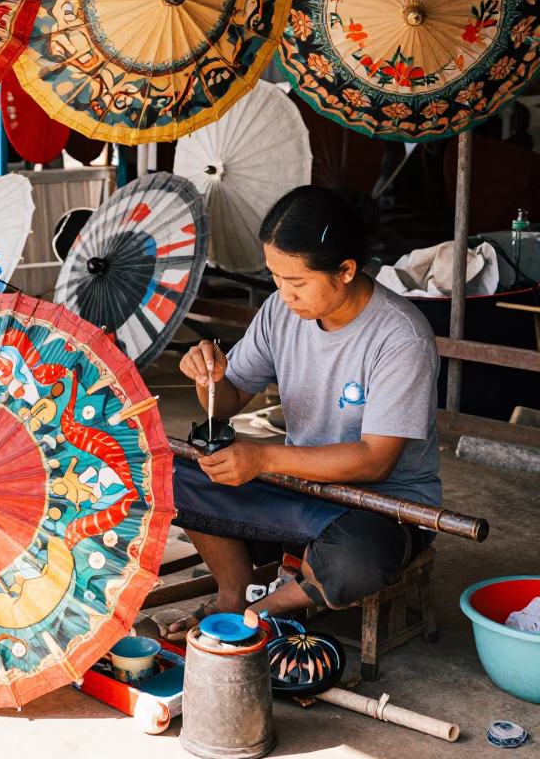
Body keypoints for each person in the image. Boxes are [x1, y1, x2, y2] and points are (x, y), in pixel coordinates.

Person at [169, 184, 441, 636]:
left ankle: (270, 607)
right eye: (275, 278)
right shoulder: (280, 310)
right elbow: (230, 401)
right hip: (298, 489)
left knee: (358, 556)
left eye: (296, 281)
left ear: (346, 270)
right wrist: (211, 378)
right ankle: (232, 594)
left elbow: (376, 460)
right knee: (179, 474)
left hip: (381, 506)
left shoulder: (401, 338)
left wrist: (262, 457)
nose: (283, 293)